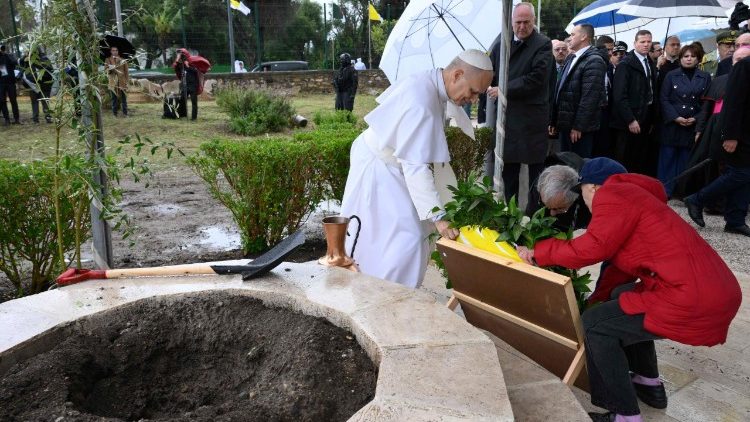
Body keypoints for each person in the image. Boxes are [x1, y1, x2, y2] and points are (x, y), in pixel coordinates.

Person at [517, 157, 742, 422]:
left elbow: (592, 248)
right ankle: (648, 383)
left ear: (593, 187)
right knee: (620, 299)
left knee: (594, 325)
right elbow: (617, 272)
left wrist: (539, 252)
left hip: (692, 297)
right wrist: (598, 299)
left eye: (582, 191)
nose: (582, 200)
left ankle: (624, 415)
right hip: (714, 291)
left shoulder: (613, 195)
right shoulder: (634, 199)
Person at [339, 49, 493, 289]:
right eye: (473, 91)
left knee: (404, 237)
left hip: (392, 166)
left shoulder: (433, 83)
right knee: (405, 240)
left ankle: (384, 291)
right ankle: (387, 294)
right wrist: (439, 218)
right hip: (379, 169)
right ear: (457, 75)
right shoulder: (421, 99)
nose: (473, 99)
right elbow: (415, 165)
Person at [486, 2, 554, 202]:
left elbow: (536, 78)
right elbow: (491, 72)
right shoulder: (501, 43)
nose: (522, 26)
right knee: (508, 173)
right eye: (518, 22)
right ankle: (510, 212)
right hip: (508, 119)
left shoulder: (543, 43)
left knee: (536, 175)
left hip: (532, 120)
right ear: (511, 22)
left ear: (534, 21)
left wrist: (503, 89)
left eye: (526, 22)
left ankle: (535, 213)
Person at [685, 47, 750, 237]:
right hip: (738, 134)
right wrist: (730, 135)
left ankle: (735, 220)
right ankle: (697, 199)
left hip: (747, 134)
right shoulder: (744, 66)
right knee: (740, 174)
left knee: (744, 176)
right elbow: (733, 103)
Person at [658, 44, 710, 197]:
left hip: (692, 123)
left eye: (692, 56)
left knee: (686, 159)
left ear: (698, 59)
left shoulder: (705, 76)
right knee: (667, 158)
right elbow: (664, 98)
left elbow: (706, 102)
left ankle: (682, 191)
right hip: (672, 122)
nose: (689, 59)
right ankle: (665, 190)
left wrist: (696, 118)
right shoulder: (671, 75)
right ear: (680, 58)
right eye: (686, 56)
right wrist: (675, 117)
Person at [550, 24, 606, 158]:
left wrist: (579, 126)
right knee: (565, 163)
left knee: (578, 164)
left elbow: (590, 98)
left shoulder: (594, 61)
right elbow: (560, 90)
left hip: (579, 130)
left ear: (584, 36)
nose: (570, 38)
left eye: (573, 34)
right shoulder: (571, 58)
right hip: (565, 126)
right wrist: (554, 120)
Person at [611, 30, 658, 176]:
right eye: (642, 42)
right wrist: (630, 119)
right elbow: (619, 95)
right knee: (626, 157)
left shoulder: (650, 62)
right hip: (629, 120)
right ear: (635, 43)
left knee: (640, 157)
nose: (646, 45)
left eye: (648, 42)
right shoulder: (625, 64)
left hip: (646, 116)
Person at [525, 152, 591, 231]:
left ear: (574, 198)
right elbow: (530, 223)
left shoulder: (591, 191)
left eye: (559, 208)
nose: (552, 213)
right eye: (545, 205)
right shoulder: (539, 186)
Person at [19, 48, 54, 124]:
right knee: (34, 102)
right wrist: (25, 56)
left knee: (45, 101)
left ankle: (48, 117)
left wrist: (36, 63)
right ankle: (35, 119)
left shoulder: (44, 58)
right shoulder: (28, 59)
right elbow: (21, 64)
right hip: (32, 84)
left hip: (44, 84)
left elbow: (50, 69)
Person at [173, 49, 200, 120]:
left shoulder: (191, 62)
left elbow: (196, 71)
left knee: (194, 102)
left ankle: (194, 117)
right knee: (182, 100)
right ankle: (182, 115)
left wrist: (188, 66)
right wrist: (178, 59)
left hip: (192, 85)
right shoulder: (180, 64)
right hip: (184, 85)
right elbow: (175, 67)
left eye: (182, 55)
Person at [0, 44, 21, 126]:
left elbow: (15, 62)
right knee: (2, 101)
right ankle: (7, 119)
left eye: (2, 48)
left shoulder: (9, 56)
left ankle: (17, 119)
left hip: (10, 82)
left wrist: (6, 54)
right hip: (1, 83)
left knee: (13, 100)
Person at [105, 46, 129, 117]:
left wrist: (127, 82)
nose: (115, 52)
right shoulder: (108, 59)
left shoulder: (123, 60)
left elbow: (126, 72)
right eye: (113, 50)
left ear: (118, 51)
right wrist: (110, 68)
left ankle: (125, 113)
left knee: (124, 98)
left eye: (116, 50)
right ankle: (114, 114)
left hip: (122, 81)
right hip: (113, 81)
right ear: (111, 51)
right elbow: (105, 70)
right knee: (114, 98)